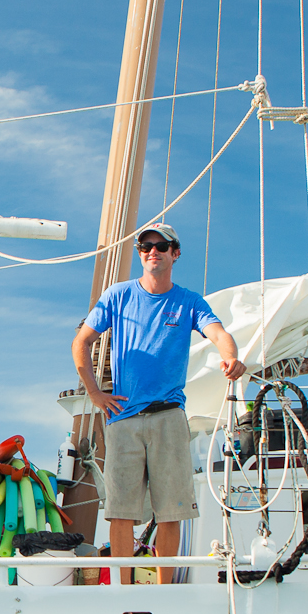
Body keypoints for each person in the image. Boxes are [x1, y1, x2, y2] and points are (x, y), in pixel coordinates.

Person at [71, 222, 243, 581]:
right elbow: (82, 341)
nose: (152, 251)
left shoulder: (189, 301)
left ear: (174, 253)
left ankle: (164, 593)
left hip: (168, 417)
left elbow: (219, 333)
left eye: (161, 246)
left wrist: (230, 357)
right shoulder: (118, 295)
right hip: (123, 418)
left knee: (171, 511)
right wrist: (94, 392)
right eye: (145, 246)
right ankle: (124, 591)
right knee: (120, 512)